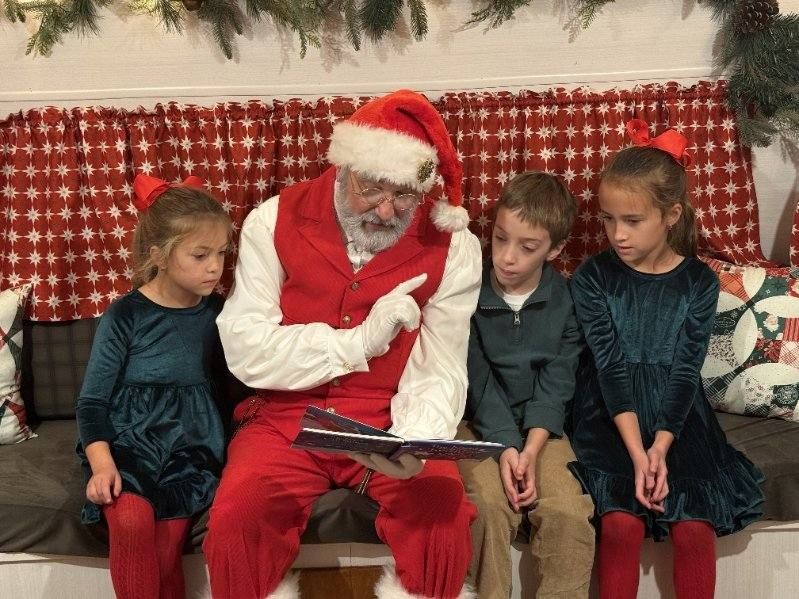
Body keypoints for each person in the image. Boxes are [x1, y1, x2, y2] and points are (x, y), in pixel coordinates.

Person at [203, 89, 483, 599]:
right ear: (343, 167)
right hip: (286, 419)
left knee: (441, 514)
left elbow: (441, 363)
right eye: (371, 188)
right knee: (237, 518)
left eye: (404, 196)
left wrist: (413, 439)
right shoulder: (272, 220)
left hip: (389, 421)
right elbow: (245, 348)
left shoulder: (453, 244)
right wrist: (357, 343)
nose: (384, 209)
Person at [568, 120, 765, 599]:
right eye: (609, 219)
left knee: (694, 528)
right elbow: (610, 366)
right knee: (620, 524)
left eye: (632, 221)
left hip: (678, 415)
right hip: (610, 412)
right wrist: (638, 453)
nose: (617, 234)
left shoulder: (698, 281)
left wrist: (660, 448)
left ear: (672, 214)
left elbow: (685, 370)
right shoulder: (594, 276)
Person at [75, 174, 232, 599]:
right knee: (129, 521)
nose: (215, 267)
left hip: (190, 451)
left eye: (220, 253)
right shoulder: (125, 315)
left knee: (165, 552)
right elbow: (91, 402)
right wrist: (103, 464)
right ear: (159, 255)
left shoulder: (219, 314)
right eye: (200, 255)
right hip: (128, 445)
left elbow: (234, 388)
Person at [458, 172, 595, 599]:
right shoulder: (467, 291)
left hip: (543, 428)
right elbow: (477, 383)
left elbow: (556, 384)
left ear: (553, 250)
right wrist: (506, 448)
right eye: (500, 239)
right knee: (486, 507)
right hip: (480, 426)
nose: (507, 257)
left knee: (570, 512)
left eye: (527, 247)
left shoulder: (567, 300)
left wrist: (531, 450)